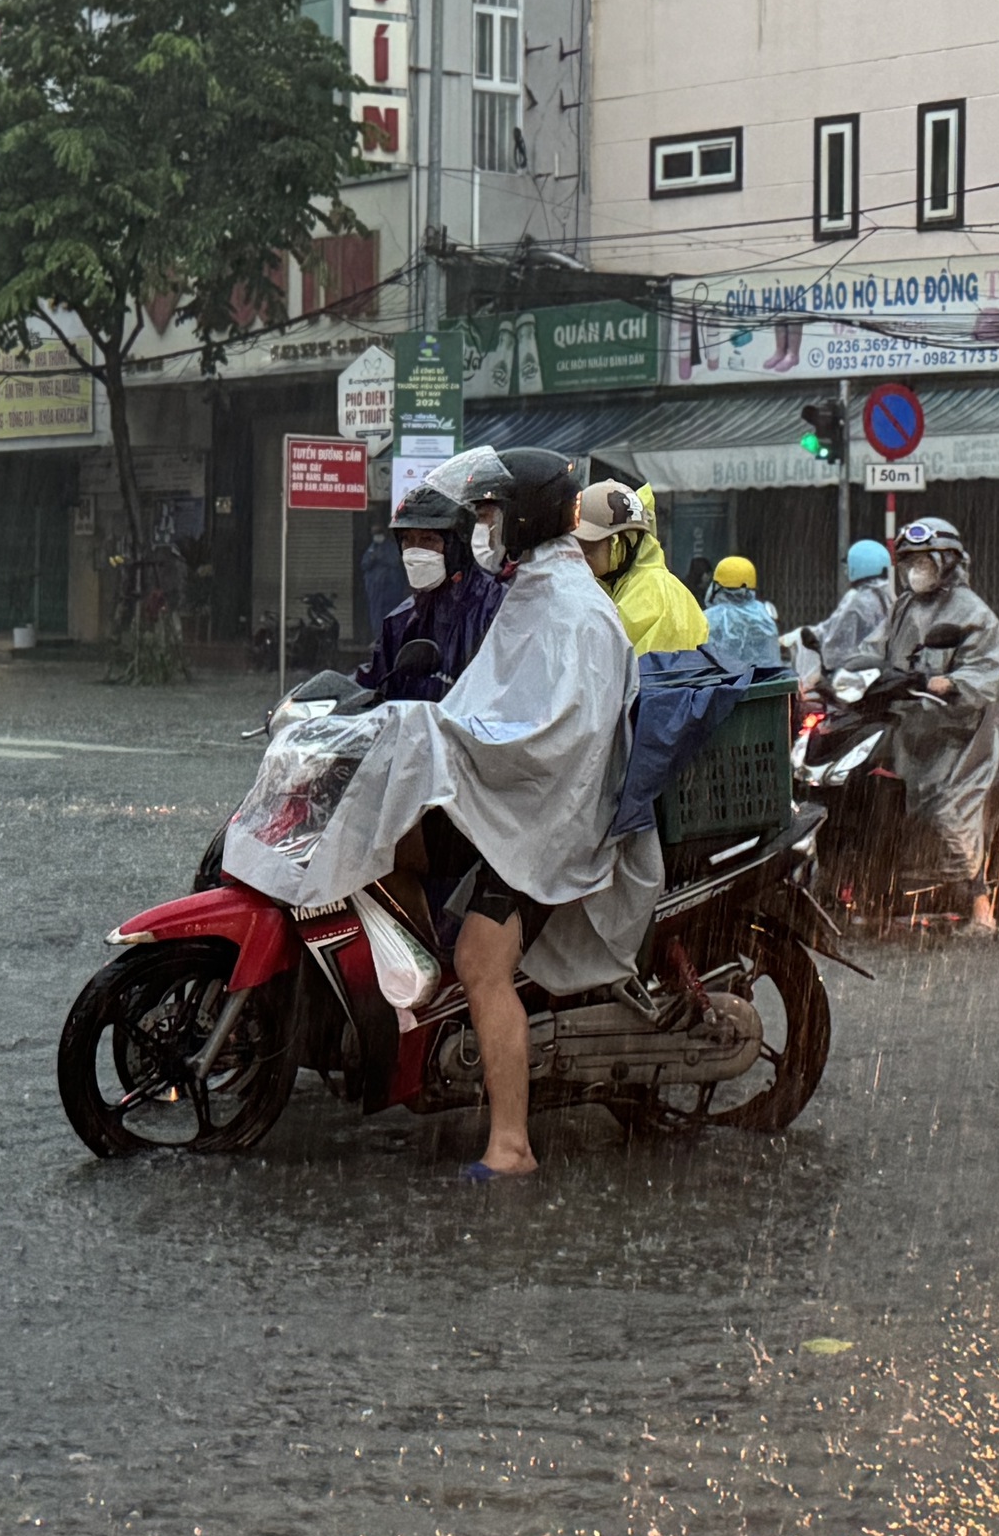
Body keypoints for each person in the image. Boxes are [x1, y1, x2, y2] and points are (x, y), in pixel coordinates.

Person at [222, 448, 660, 1180]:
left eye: (489, 514)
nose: (480, 527)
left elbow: (555, 737)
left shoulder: (575, 612)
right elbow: (481, 702)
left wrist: (433, 732)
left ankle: (512, 1147)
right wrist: (406, 724)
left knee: (481, 964)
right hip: (508, 798)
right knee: (387, 842)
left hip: (547, 819)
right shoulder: (531, 591)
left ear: (522, 518)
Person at [867, 519, 999, 935]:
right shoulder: (904, 605)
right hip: (908, 727)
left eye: (923, 560)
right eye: (908, 561)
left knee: (948, 811)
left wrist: (952, 683)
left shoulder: (974, 613)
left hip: (957, 735)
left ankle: (982, 908)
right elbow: (874, 648)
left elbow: (983, 673)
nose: (915, 569)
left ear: (946, 560)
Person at [353, 485, 507, 702]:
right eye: (407, 539)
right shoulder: (400, 621)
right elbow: (373, 683)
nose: (415, 550)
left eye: (428, 540)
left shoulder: (496, 607)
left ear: (455, 546)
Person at [575, 479, 709, 654]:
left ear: (622, 542)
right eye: (577, 544)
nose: (582, 555)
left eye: (589, 545)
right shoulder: (627, 587)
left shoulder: (650, 595)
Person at [813, 539, 894, 667]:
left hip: (860, 671)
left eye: (848, 567)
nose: (846, 572)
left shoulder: (857, 598)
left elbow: (835, 640)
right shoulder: (893, 593)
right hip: (890, 669)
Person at [703, 556, 783, 669]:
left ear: (717, 586)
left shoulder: (708, 618)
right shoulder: (764, 613)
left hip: (723, 685)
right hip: (764, 682)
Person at [358, 524, 410, 647]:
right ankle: (378, 637)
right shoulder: (372, 548)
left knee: (391, 613)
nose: (377, 536)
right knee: (376, 614)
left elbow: (394, 561)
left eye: (378, 533)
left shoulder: (391, 548)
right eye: (375, 534)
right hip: (376, 590)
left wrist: (380, 557)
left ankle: (391, 638)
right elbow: (364, 564)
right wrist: (373, 558)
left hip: (391, 588)